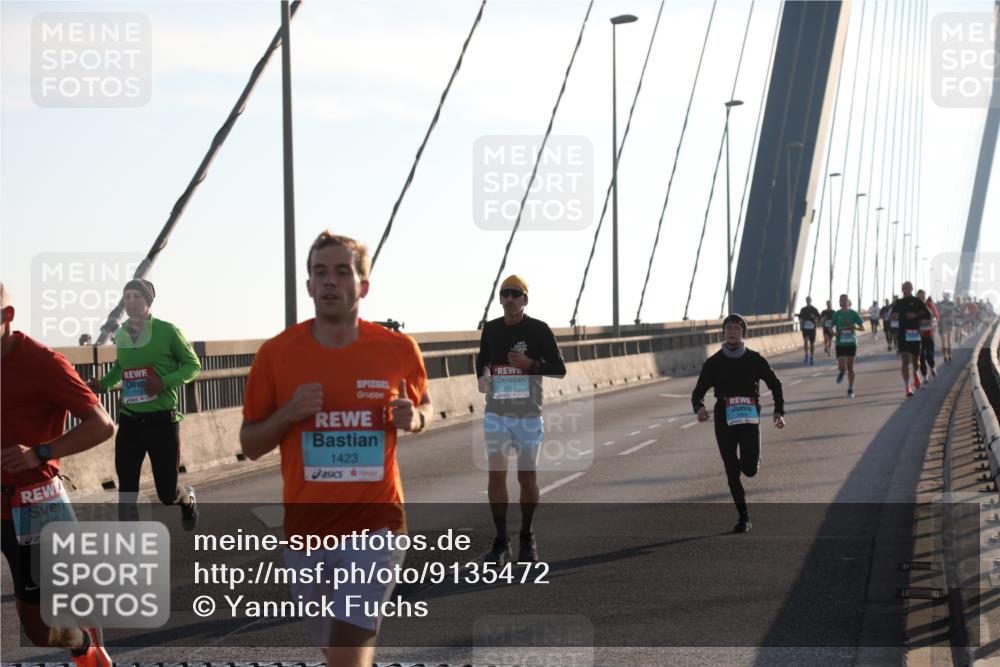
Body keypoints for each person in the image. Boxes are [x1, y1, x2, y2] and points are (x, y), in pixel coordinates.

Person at [240, 232, 432, 667]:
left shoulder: (397, 350)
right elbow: (250, 444)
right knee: (337, 652)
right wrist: (288, 413)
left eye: (342, 272)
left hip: (376, 526)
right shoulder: (276, 355)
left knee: (345, 657)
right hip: (305, 533)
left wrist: (415, 418)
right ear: (308, 285)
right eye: (319, 273)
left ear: (363, 286)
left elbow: (424, 405)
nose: (329, 282)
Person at [0, 283, 116, 667]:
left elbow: (102, 424)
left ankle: (83, 641)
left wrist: (39, 453)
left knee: (39, 629)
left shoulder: (43, 363)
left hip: (31, 507)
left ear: (7, 317)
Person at [86, 280, 201, 528]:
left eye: (136, 296)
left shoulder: (168, 331)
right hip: (130, 422)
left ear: (148, 301)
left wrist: (164, 382)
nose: (130, 301)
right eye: (126, 297)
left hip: (162, 422)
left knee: (167, 494)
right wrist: (103, 385)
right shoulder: (121, 333)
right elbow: (121, 366)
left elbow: (193, 365)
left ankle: (187, 499)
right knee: (127, 493)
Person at [477, 275, 567, 565]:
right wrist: (482, 377)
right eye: (505, 294)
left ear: (525, 300)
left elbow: (559, 368)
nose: (509, 299)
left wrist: (531, 366)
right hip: (497, 415)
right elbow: (482, 360)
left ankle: (527, 535)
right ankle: (501, 541)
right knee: (496, 475)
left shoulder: (538, 330)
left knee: (526, 477)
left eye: (515, 294)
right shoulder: (490, 329)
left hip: (528, 415)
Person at [691, 314, 785, 533]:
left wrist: (779, 411)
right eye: (729, 328)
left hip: (750, 417)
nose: (732, 331)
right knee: (731, 470)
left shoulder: (755, 359)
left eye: (737, 328)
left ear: (743, 332)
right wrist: (700, 409)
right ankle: (743, 517)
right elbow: (697, 394)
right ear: (723, 332)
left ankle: (752, 460)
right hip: (724, 417)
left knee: (750, 469)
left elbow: (775, 384)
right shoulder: (713, 363)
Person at [891, 282, 931, 398]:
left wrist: (915, 316)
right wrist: (894, 316)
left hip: (914, 333)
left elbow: (928, 314)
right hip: (903, 334)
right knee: (905, 361)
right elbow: (893, 315)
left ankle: (916, 373)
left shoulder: (918, 301)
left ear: (911, 289)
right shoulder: (898, 302)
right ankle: (907, 387)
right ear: (902, 289)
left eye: (907, 288)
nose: (905, 289)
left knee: (915, 360)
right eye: (903, 287)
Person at [832, 294, 865, 398]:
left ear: (848, 301)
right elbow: (830, 327)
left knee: (850, 367)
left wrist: (854, 327)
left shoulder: (853, 313)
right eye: (842, 300)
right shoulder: (836, 314)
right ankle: (842, 372)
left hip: (851, 342)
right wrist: (834, 333)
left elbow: (862, 327)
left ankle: (850, 388)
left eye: (845, 300)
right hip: (840, 343)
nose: (844, 302)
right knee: (842, 365)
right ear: (839, 302)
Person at [918, 291, 939, 382]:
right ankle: (925, 375)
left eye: (922, 297)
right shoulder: (915, 306)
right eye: (919, 297)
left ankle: (932, 366)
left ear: (925, 297)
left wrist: (931, 322)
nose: (921, 299)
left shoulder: (930, 305)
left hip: (929, 334)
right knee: (921, 356)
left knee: (929, 354)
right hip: (918, 336)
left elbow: (937, 317)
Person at [796, 296, 820, 365]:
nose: (808, 301)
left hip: (812, 328)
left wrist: (814, 317)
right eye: (807, 300)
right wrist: (801, 320)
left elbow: (818, 317)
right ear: (806, 301)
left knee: (812, 343)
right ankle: (806, 354)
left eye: (809, 300)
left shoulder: (814, 309)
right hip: (805, 328)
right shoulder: (803, 309)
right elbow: (800, 317)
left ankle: (811, 357)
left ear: (811, 301)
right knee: (806, 341)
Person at [936, 292, 958, 363]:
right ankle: (947, 356)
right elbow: (937, 312)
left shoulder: (950, 303)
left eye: (947, 296)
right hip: (944, 322)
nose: (946, 297)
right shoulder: (941, 303)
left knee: (947, 340)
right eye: (946, 296)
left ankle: (948, 356)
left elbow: (956, 310)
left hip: (948, 322)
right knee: (945, 341)